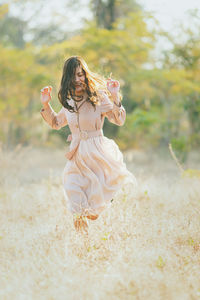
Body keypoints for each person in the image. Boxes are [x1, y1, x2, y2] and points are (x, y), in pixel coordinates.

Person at [40, 56, 137, 233]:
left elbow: (118, 119)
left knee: (92, 212)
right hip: (76, 157)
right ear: (67, 79)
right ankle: (82, 246)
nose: (77, 79)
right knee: (76, 205)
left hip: (97, 156)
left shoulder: (97, 97)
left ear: (85, 75)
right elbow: (55, 123)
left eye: (80, 74)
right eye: (73, 76)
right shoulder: (69, 102)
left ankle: (95, 222)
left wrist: (114, 96)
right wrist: (46, 104)